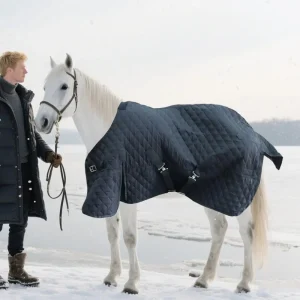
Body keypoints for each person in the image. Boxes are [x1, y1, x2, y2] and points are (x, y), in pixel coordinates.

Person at [0, 51, 62, 289]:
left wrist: (47, 154)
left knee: (20, 219)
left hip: (24, 169)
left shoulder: (23, 98)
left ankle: (16, 271)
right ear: (9, 68)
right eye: (22, 67)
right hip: (2, 170)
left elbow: (31, 134)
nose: (26, 71)